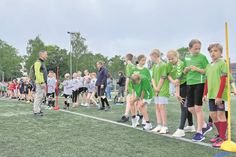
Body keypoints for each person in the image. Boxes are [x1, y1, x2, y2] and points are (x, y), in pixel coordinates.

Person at [184, 39, 211, 142]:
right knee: (191, 109)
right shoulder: (187, 57)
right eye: (195, 48)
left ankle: (199, 132)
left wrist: (197, 69)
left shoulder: (202, 57)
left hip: (199, 84)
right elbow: (185, 71)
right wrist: (186, 70)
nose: (197, 50)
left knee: (198, 108)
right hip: (189, 84)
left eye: (199, 48)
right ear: (189, 48)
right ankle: (204, 124)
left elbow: (207, 71)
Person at [203, 43, 228, 147]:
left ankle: (222, 138)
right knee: (213, 115)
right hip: (211, 95)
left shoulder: (223, 64)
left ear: (220, 53)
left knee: (221, 115)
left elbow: (223, 81)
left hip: (220, 95)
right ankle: (221, 135)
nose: (213, 53)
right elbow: (207, 81)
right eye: (211, 51)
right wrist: (205, 93)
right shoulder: (208, 66)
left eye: (215, 51)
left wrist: (219, 96)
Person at [166, 50, 195, 137]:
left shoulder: (180, 64)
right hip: (179, 85)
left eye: (172, 58)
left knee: (184, 106)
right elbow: (168, 74)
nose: (170, 60)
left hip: (186, 85)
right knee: (187, 106)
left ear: (177, 56)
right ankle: (191, 125)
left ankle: (181, 129)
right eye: (169, 59)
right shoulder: (170, 65)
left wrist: (177, 93)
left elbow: (178, 80)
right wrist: (172, 81)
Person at [150, 49, 170, 134]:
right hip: (156, 90)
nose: (151, 59)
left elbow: (163, 77)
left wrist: (158, 88)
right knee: (157, 107)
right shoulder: (154, 66)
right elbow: (153, 78)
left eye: (151, 57)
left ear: (155, 56)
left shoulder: (163, 65)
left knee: (161, 107)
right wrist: (155, 88)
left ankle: (165, 126)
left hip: (163, 89)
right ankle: (159, 125)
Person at [117, 53, 136, 122]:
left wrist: (126, 88)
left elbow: (128, 78)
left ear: (127, 58)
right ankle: (126, 115)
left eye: (125, 58)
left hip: (131, 86)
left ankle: (131, 116)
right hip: (134, 86)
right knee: (129, 101)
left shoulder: (128, 66)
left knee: (132, 102)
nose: (124, 59)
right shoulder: (133, 66)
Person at [33, 50, 48, 116]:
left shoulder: (42, 62)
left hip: (42, 82)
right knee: (39, 96)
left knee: (41, 96)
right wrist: (42, 82)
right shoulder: (38, 62)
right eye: (46, 54)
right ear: (42, 54)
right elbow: (37, 73)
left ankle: (38, 109)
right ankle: (36, 111)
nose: (47, 56)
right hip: (40, 82)